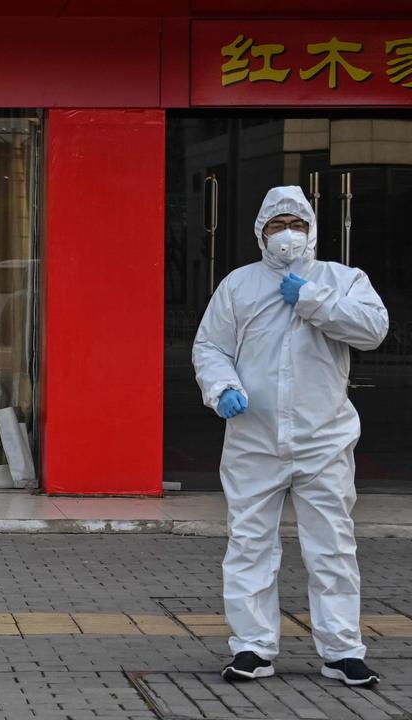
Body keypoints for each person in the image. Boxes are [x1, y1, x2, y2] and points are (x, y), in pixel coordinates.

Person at [193, 186, 388, 687]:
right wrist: (223, 388)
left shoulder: (342, 280)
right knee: (250, 543)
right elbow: (210, 346)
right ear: (260, 231)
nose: (286, 234)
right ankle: (252, 647)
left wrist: (311, 299)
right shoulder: (239, 285)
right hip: (253, 438)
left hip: (324, 439)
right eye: (276, 224)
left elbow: (373, 330)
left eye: (296, 224)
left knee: (333, 547)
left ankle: (342, 650)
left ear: (312, 230)